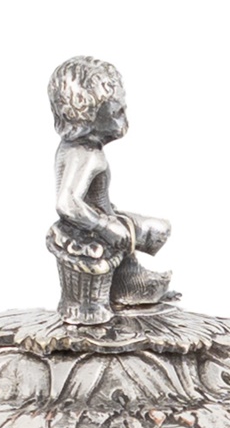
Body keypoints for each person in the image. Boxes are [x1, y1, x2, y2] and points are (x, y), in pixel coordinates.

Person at [45, 56, 175, 322]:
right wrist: (104, 226)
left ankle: (131, 282)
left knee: (152, 230)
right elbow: (66, 203)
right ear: (88, 116)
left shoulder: (80, 148)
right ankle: (123, 289)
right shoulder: (86, 155)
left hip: (105, 216)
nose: (124, 120)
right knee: (158, 229)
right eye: (116, 113)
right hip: (94, 229)